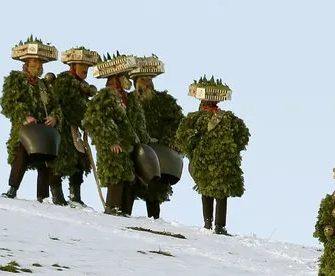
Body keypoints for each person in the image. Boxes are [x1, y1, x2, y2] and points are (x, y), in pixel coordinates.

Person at [175, 76, 250, 234]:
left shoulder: (204, 118)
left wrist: (195, 152)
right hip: (215, 161)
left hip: (213, 161)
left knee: (212, 191)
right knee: (214, 191)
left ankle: (213, 224)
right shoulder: (216, 118)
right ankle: (215, 225)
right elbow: (242, 135)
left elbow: (183, 138)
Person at [82, 52, 150, 216]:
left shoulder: (129, 98)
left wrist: (143, 142)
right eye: (125, 75)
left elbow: (138, 122)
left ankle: (125, 213)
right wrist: (111, 141)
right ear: (116, 77)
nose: (128, 79)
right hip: (113, 149)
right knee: (117, 177)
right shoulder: (105, 96)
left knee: (130, 181)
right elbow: (95, 120)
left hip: (130, 148)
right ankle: (112, 210)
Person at [0, 36, 60, 202]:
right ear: (27, 62)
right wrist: (24, 116)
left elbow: (56, 106)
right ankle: (13, 188)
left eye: (41, 62)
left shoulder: (45, 85)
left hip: (44, 127)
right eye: (36, 61)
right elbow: (9, 102)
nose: (39, 65)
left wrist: (54, 117)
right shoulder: (16, 79)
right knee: (21, 153)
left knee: (47, 159)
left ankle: (42, 196)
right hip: (25, 128)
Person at [129, 55, 184, 219]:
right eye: (143, 79)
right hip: (135, 149)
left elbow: (176, 124)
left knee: (154, 188)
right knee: (130, 184)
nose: (147, 83)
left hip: (159, 153)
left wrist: (167, 141)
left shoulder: (165, 101)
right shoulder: (129, 101)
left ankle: (155, 219)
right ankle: (124, 215)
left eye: (149, 79)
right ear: (136, 82)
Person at [49, 46, 99, 206]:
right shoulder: (64, 80)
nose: (85, 69)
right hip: (64, 125)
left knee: (80, 161)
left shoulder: (82, 84)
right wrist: (84, 118)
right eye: (82, 65)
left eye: (87, 67)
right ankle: (57, 195)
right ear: (73, 65)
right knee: (60, 160)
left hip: (76, 128)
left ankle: (75, 195)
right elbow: (68, 103)